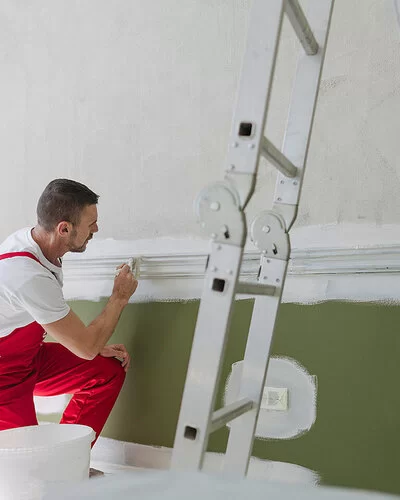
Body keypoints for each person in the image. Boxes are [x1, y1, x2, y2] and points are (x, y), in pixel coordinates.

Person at [0, 178, 138, 446]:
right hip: (3, 379)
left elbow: (78, 343)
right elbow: (85, 348)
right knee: (30, 469)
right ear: (64, 228)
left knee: (107, 370)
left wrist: (92, 346)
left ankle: (70, 458)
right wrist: (119, 297)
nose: (96, 228)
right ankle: (52, 471)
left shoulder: (39, 246)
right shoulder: (27, 274)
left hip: (27, 360)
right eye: (90, 224)